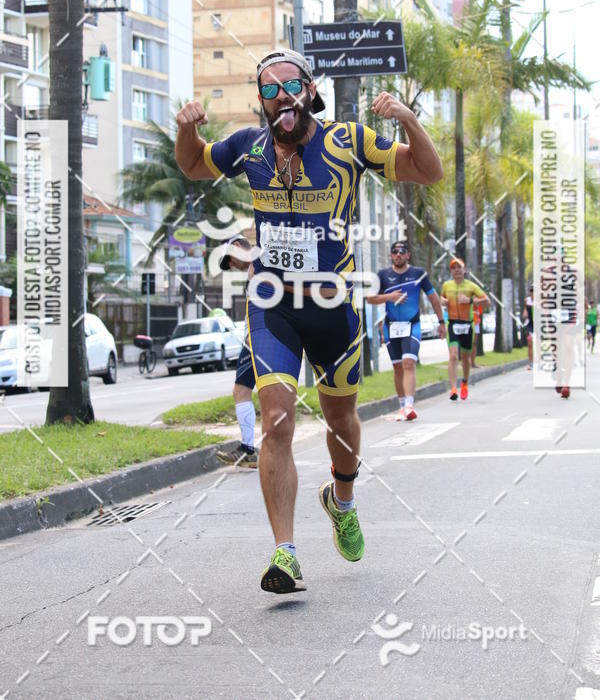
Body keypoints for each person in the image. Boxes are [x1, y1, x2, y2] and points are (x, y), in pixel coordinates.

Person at [175, 48, 443, 593]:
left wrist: (409, 121)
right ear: (262, 102)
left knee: (341, 423)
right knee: (276, 419)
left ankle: (341, 499)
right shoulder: (249, 148)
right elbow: (193, 162)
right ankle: (285, 554)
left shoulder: (347, 141)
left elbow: (427, 170)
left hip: (334, 307)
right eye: (269, 90)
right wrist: (186, 130)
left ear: (309, 89)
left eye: (290, 86)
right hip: (272, 304)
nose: (281, 98)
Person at [367, 241, 446, 421]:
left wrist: (442, 322)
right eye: (395, 252)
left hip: (412, 325)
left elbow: (433, 298)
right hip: (391, 327)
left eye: (402, 252)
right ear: (390, 255)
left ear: (408, 255)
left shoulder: (418, 274)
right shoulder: (383, 275)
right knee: (397, 366)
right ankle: (402, 405)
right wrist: (389, 297)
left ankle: (410, 405)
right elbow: (370, 298)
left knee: (408, 363)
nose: (398, 255)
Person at [215, 235, 259, 469]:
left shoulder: (257, 265)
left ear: (238, 247)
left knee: (241, 390)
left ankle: (248, 449)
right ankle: (252, 448)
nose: (232, 266)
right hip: (259, 336)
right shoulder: (261, 262)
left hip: (258, 338)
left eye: (230, 259)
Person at [440, 258, 490, 401]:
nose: (456, 270)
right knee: (453, 355)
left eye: (459, 267)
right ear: (451, 271)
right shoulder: (446, 285)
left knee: (466, 358)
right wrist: (442, 301)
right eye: (453, 268)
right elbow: (441, 298)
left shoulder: (471, 286)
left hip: (467, 324)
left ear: (464, 270)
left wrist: (470, 301)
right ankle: (453, 388)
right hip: (452, 324)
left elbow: (487, 302)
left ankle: (465, 383)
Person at [523, 285, 534, 370]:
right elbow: (525, 311)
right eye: (531, 291)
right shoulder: (527, 300)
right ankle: (531, 363)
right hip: (529, 325)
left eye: (533, 291)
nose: (532, 292)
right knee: (530, 343)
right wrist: (525, 313)